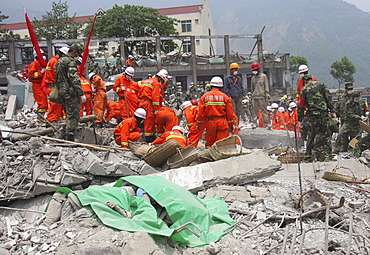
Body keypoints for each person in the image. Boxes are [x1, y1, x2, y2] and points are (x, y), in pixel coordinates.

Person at [298, 74, 334, 162]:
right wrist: (332, 110)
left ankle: (308, 156)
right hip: (323, 114)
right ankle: (328, 154)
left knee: (311, 135)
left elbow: (301, 105)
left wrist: (300, 117)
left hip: (312, 115)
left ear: (305, 81)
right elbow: (328, 98)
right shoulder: (321, 85)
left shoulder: (304, 89)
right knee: (326, 134)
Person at [55, 44, 85, 141]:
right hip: (70, 92)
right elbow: (74, 79)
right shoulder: (70, 62)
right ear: (75, 51)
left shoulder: (59, 61)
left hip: (61, 91)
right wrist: (81, 93)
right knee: (74, 114)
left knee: (68, 113)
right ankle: (70, 136)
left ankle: (63, 134)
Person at [197, 76, 237, 148]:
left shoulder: (204, 97)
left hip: (210, 122)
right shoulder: (225, 97)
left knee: (210, 143)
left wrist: (199, 124)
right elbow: (230, 113)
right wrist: (231, 124)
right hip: (222, 122)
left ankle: (210, 156)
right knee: (222, 143)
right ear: (221, 87)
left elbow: (200, 113)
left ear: (211, 86)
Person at [137, 69, 169, 143]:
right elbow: (155, 97)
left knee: (144, 120)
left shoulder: (146, 81)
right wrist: (156, 109)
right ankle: (149, 138)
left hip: (142, 102)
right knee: (149, 120)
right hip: (148, 103)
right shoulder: (156, 83)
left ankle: (147, 135)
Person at [44, 47, 69, 124]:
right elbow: (58, 75)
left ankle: (56, 121)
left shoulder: (52, 60)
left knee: (58, 106)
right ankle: (52, 122)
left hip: (51, 86)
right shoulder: (55, 62)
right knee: (55, 106)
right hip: (54, 87)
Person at [28, 49, 48, 124]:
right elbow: (31, 75)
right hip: (37, 85)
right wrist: (40, 72)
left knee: (44, 103)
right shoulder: (34, 64)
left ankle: (41, 119)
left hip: (42, 84)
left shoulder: (42, 64)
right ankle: (39, 120)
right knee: (42, 103)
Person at [251, 62, 270, 129]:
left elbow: (266, 86)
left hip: (262, 96)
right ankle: (254, 123)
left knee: (264, 110)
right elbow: (252, 88)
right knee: (254, 111)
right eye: (253, 70)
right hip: (254, 97)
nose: (254, 71)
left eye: (255, 70)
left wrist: (267, 93)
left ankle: (267, 123)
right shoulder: (253, 78)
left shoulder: (263, 76)